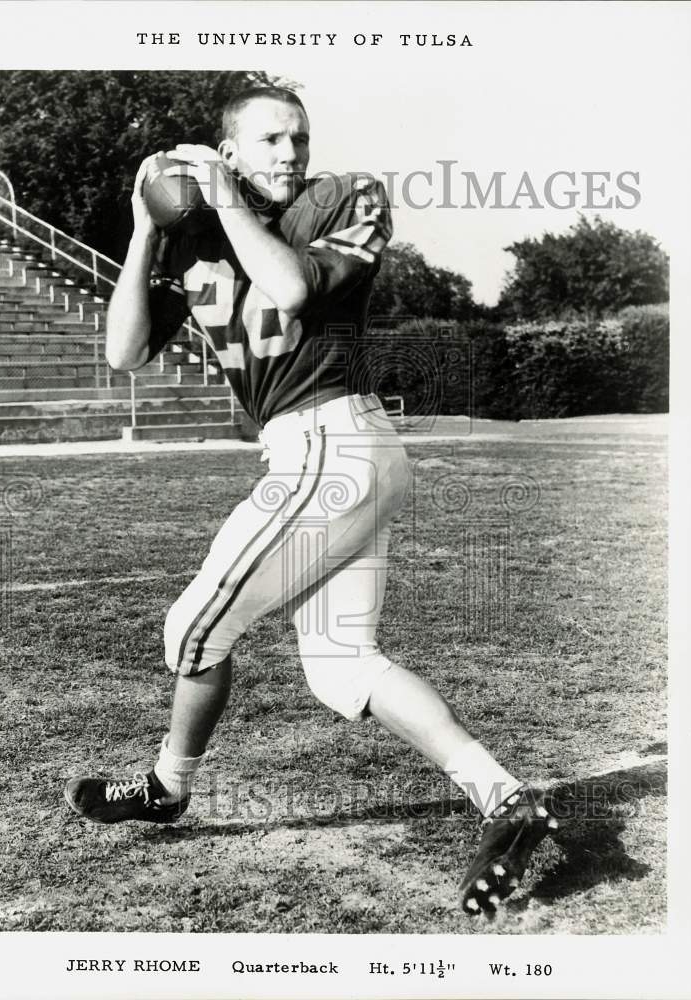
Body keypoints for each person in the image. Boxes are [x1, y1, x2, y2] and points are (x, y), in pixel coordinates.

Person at [64, 86, 557, 916]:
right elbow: (122, 353)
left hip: (334, 444)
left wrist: (218, 193)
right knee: (340, 666)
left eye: (297, 137)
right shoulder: (190, 235)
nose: (290, 153)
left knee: (190, 628)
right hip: (330, 457)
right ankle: (504, 800)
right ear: (229, 148)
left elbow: (290, 288)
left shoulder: (344, 197)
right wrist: (148, 227)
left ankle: (166, 787)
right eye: (269, 140)